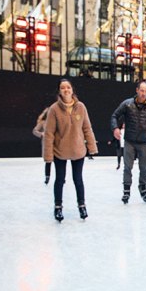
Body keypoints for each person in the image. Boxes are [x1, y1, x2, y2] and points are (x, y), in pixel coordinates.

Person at [43, 79, 98, 222]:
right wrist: (48, 155)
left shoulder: (81, 107)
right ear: (59, 91)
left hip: (78, 150)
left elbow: (87, 128)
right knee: (60, 179)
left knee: (78, 179)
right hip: (60, 151)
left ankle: (82, 205)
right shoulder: (54, 109)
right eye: (63, 88)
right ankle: (58, 207)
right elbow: (48, 133)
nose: (66, 90)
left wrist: (91, 146)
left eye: (68, 87)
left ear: (72, 90)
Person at [111, 81, 146, 204]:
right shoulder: (127, 104)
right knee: (128, 167)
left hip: (144, 141)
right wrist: (115, 128)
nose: (143, 94)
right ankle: (126, 191)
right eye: (142, 91)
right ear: (137, 90)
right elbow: (114, 116)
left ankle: (143, 189)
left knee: (143, 168)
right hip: (130, 141)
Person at [33, 107, 52, 184]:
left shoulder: (58, 121)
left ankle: (61, 178)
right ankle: (47, 177)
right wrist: (41, 134)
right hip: (47, 144)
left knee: (59, 162)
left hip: (57, 143)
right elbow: (34, 131)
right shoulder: (43, 122)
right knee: (48, 161)